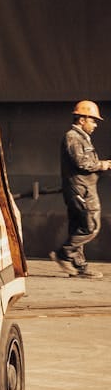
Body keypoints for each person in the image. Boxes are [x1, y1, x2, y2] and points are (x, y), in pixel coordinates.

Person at [53, 100, 111, 279]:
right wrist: (102, 164)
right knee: (91, 225)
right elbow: (81, 162)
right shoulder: (73, 137)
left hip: (82, 187)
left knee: (78, 225)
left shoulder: (81, 137)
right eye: (93, 121)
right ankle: (64, 253)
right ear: (82, 119)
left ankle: (79, 266)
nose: (94, 125)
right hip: (81, 188)